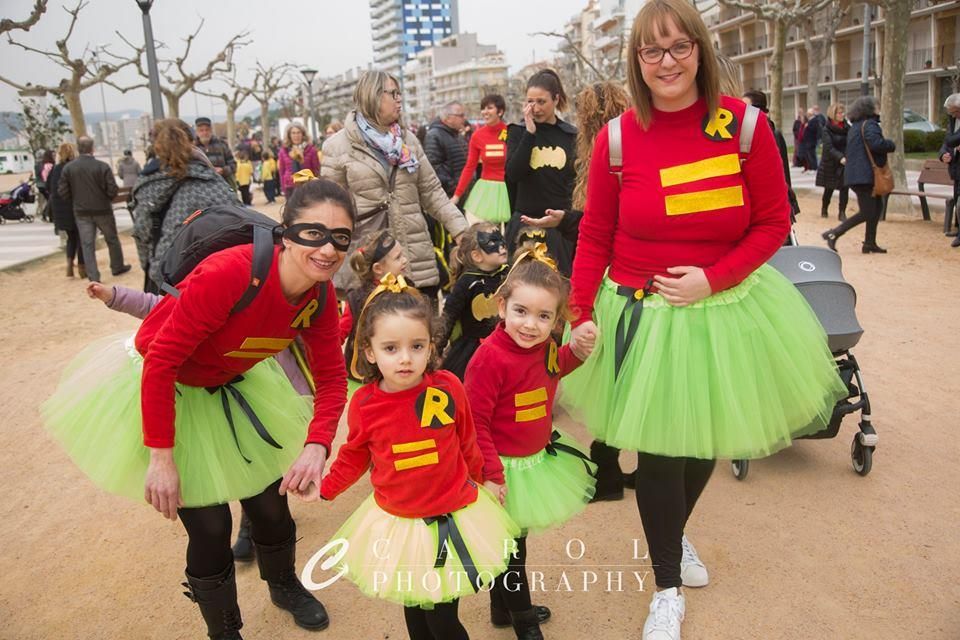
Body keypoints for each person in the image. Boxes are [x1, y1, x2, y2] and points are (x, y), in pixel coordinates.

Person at [559, 2, 848, 638]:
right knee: (661, 453)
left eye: (679, 47)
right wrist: (579, 313)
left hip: (723, 309)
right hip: (643, 313)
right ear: (636, 61)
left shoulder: (742, 127)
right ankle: (665, 585)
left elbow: (773, 221)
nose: (667, 62)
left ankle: (675, 535)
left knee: (702, 444)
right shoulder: (616, 138)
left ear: (700, 50)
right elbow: (595, 235)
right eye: (652, 51)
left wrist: (711, 278)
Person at [43, 178, 354, 638]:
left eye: (340, 237)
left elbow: (332, 377)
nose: (327, 248)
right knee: (210, 527)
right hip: (168, 387)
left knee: (270, 506)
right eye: (313, 233)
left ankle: (284, 584)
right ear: (286, 232)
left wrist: (317, 445)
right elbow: (162, 360)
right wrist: (161, 457)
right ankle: (224, 629)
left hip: (233, 380)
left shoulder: (320, 296)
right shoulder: (232, 273)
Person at [320, 276, 519, 640]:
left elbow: (467, 440)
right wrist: (326, 488)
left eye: (417, 346)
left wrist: (488, 478)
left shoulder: (447, 386)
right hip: (399, 524)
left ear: (431, 346)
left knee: (444, 621)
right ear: (369, 352)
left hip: (452, 515)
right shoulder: (364, 404)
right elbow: (354, 456)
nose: (406, 358)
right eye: (391, 348)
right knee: (414, 612)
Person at [464, 246, 597, 640]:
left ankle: (502, 609)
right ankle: (523, 619)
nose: (530, 325)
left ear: (557, 320)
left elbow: (555, 369)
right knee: (512, 553)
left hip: (534, 460)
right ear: (502, 307)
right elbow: (476, 423)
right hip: (502, 468)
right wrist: (492, 474)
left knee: (513, 546)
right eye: (521, 312)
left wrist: (578, 352)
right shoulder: (489, 359)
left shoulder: (547, 348)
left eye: (544, 316)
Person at [518, 80, 634, 502]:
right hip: (631, 279)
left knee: (606, 377)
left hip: (611, 279)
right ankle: (626, 466)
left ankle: (607, 473)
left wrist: (566, 221)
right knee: (628, 375)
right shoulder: (627, 144)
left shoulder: (600, 152)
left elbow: (599, 224)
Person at [321, 70, 468, 299]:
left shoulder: (408, 140)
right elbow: (330, 208)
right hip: (371, 261)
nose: (400, 99)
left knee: (423, 328)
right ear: (373, 96)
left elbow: (432, 192)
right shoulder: (338, 146)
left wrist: (461, 230)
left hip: (414, 255)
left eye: (400, 93)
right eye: (393, 93)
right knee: (375, 331)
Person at [131, 119, 238, 293]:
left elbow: (141, 233)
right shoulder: (211, 179)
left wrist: (151, 270)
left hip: (169, 280)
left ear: (156, 146)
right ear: (192, 141)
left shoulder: (148, 183)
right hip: (219, 276)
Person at [504, 70, 577, 276]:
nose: (535, 108)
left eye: (541, 102)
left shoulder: (570, 135)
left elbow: (575, 183)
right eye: (530, 101)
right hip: (524, 226)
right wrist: (529, 133)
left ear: (556, 99)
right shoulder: (517, 132)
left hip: (559, 227)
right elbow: (513, 174)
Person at [822, 95, 896, 254]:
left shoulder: (856, 126)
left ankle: (870, 243)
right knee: (868, 211)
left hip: (858, 174)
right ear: (869, 109)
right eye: (876, 106)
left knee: (876, 208)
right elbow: (876, 144)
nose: (879, 108)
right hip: (865, 176)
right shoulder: (869, 125)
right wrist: (890, 144)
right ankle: (834, 233)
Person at [435, 222, 509, 379]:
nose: (502, 246)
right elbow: (449, 316)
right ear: (477, 255)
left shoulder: (507, 274)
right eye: (492, 242)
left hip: (505, 342)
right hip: (474, 350)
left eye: (501, 239)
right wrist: (437, 350)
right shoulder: (467, 282)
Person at [57, 136, 129, 282]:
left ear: (78, 148)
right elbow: (112, 190)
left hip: (81, 211)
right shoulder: (102, 166)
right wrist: (105, 198)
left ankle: (93, 276)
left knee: (87, 244)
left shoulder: (69, 168)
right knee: (112, 239)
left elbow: (63, 191)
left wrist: (76, 199)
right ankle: (117, 266)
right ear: (92, 148)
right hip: (102, 209)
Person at [340, 229, 410, 381]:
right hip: (367, 367)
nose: (405, 260)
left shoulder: (404, 288)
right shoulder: (358, 298)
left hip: (398, 364)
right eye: (398, 257)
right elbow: (342, 330)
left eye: (402, 255)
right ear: (378, 268)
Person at [452, 94, 511, 225]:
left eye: (489, 108)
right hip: (485, 191)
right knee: (481, 232)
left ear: (500, 111)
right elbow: (469, 167)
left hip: (509, 189)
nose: (485, 112)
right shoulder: (477, 136)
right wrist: (457, 195)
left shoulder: (511, 132)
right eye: (483, 108)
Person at [742, 90, 801, 222]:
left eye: (745, 108)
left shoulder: (771, 133)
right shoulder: (745, 132)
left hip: (770, 200)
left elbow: (782, 171)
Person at [47, 142, 84, 278]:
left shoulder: (55, 169)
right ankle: (82, 266)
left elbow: (48, 187)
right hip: (74, 208)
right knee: (81, 238)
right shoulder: (74, 167)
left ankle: (69, 263)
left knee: (71, 238)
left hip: (60, 211)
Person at [425, 101, 469, 199]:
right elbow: (434, 167)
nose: (464, 118)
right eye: (460, 115)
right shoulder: (434, 135)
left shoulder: (457, 135)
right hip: (449, 196)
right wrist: (453, 186)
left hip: (461, 192)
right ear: (448, 118)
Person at [816, 103, 850, 221]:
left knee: (845, 187)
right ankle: (824, 208)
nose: (842, 115)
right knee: (829, 188)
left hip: (844, 162)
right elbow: (828, 147)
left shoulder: (847, 127)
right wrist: (840, 157)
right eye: (840, 113)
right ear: (833, 114)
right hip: (831, 162)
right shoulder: (826, 129)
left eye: (843, 112)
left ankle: (842, 212)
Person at [939, 93, 960, 247]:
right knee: (957, 196)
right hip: (955, 167)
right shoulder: (953, 121)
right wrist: (943, 155)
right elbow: (947, 141)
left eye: (954, 112)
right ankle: (958, 229)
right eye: (951, 113)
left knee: (959, 202)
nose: (952, 115)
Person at [278, 123, 320, 199]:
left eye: (298, 133)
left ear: (303, 134)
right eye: (293, 133)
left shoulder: (311, 150)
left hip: (307, 186)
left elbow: (316, 170)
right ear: (289, 135)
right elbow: (282, 171)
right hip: (290, 186)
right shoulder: (283, 151)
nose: (296, 136)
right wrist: (283, 188)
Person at [194, 116, 237, 190]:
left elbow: (233, 165)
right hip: (201, 189)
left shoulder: (222, 145)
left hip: (222, 188)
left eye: (207, 130)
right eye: (201, 130)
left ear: (211, 130)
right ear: (197, 132)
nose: (205, 133)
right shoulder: (192, 148)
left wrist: (223, 170)